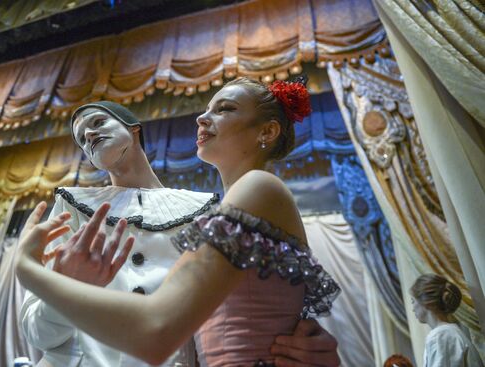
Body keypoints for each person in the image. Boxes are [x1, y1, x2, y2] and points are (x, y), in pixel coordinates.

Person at [17, 77, 341, 366]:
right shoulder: (71, 204)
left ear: (134, 128)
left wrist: (27, 268)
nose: (88, 134)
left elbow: (164, 329)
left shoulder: (222, 205)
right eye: (80, 139)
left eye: (99, 121)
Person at [411, 274, 483, 367]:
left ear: (426, 302)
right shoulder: (446, 333)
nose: (412, 309)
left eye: (413, 301)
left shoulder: (442, 336)